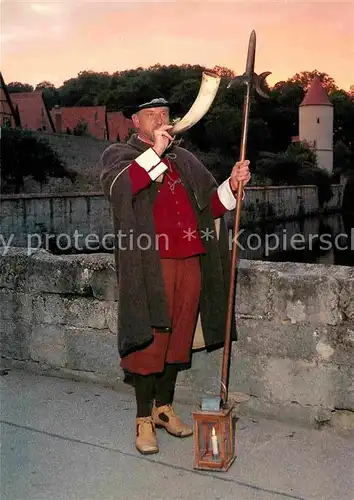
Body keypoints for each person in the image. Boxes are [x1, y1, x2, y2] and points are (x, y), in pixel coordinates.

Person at [100, 86, 251, 455]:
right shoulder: (120, 154)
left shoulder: (184, 158)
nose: (162, 119)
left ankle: (164, 409)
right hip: (151, 264)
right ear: (136, 122)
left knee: (178, 339)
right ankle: (143, 420)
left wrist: (231, 185)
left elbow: (210, 206)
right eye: (153, 115)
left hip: (191, 261)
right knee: (150, 340)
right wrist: (155, 151)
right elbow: (121, 190)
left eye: (166, 113)